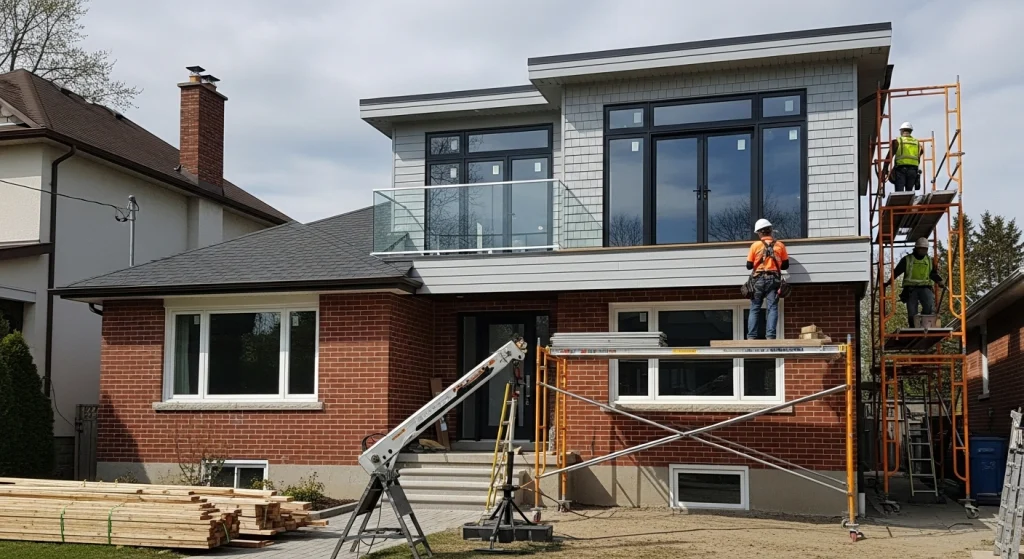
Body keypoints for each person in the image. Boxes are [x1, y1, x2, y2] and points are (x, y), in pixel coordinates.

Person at [885, 237, 946, 326]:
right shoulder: (907, 260)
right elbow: (897, 272)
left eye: (925, 249)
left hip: (925, 288)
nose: (923, 251)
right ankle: (913, 327)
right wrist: (889, 282)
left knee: (929, 306)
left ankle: (925, 323)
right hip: (911, 289)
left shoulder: (929, 260)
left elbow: (932, 274)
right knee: (912, 312)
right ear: (916, 248)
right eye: (921, 248)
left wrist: (940, 281)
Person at [746, 218, 789, 340]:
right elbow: (785, 265)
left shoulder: (755, 245)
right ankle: (770, 336)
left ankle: (751, 336)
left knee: (755, 307)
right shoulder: (780, 245)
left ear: (759, 233)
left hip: (758, 279)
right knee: (772, 307)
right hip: (774, 279)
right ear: (771, 231)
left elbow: (749, 266)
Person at [886, 122, 923, 192]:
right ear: (911, 131)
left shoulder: (898, 141)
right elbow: (919, 155)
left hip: (901, 170)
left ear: (901, 131)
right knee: (909, 192)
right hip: (913, 171)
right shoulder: (917, 143)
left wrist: (885, 170)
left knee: (899, 193)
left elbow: (889, 157)